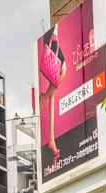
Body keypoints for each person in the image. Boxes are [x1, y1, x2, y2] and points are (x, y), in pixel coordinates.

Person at [39, 23, 67, 163]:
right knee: (62, 71)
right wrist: (55, 29)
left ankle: (51, 138)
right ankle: (43, 99)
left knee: (53, 84)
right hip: (51, 34)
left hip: (51, 33)